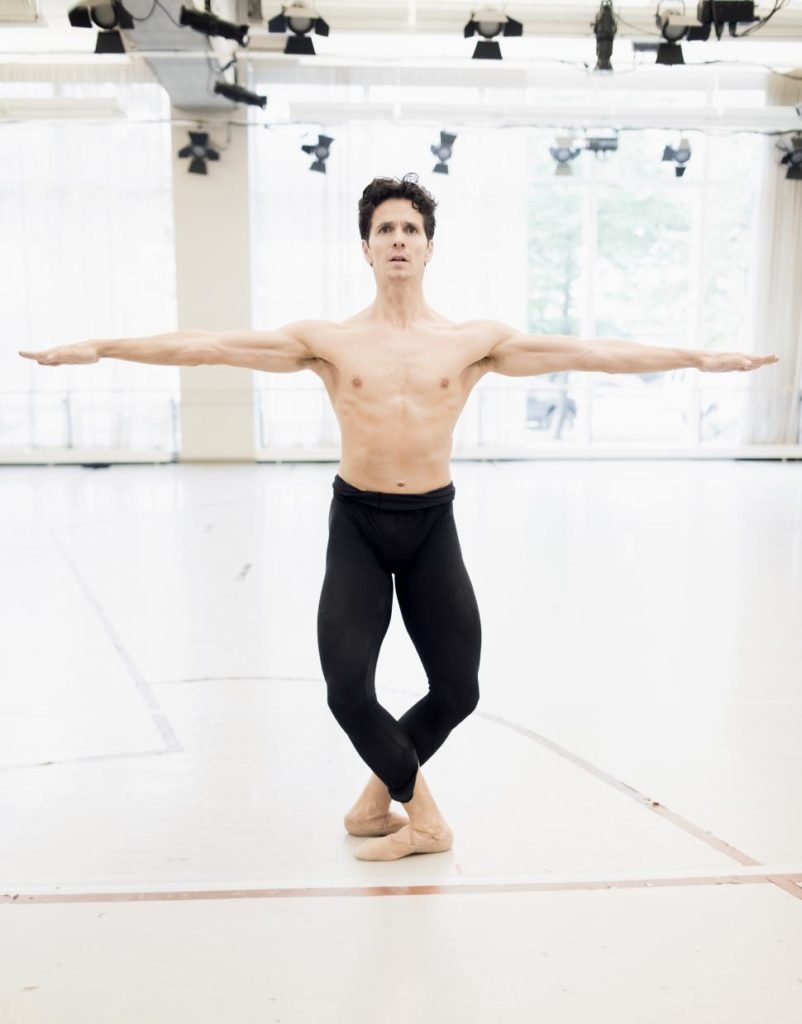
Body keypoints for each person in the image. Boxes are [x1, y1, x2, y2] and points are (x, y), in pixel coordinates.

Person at [19, 173, 779, 862]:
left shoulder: (473, 341)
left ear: (429, 246)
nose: (398, 240)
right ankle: (429, 819)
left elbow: (590, 352)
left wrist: (698, 357)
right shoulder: (329, 340)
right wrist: (102, 347)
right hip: (357, 521)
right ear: (365, 247)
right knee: (347, 689)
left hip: (429, 524)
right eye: (385, 229)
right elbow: (208, 344)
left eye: (410, 229)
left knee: (458, 690)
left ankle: (374, 803)